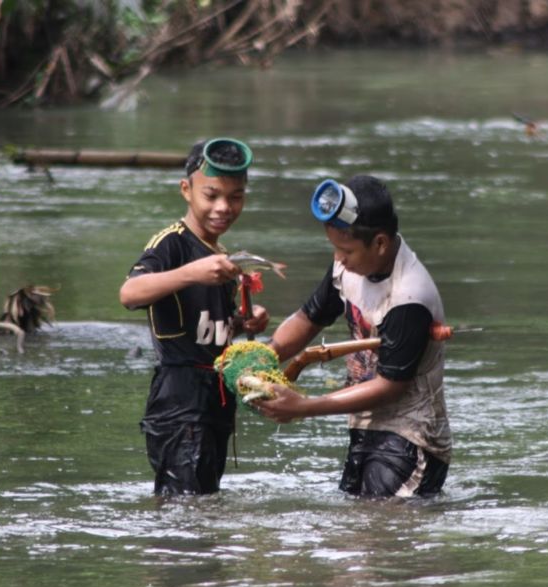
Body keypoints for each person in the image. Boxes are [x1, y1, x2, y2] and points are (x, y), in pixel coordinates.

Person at [254, 175, 451, 498]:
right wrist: (263, 357)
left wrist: (303, 406)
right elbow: (309, 316)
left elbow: (390, 386)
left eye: (347, 250)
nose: (339, 258)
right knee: (357, 531)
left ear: (381, 243)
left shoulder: (409, 296)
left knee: (380, 539)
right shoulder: (347, 265)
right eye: (334, 248)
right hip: (366, 427)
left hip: (412, 440)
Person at [119, 137, 269, 496]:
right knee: (185, 513)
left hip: (215, 400)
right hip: (180, 400)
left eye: (235, 197)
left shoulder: (220, 254)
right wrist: (191, 272)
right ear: (186, 190)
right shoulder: (171, 243)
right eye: (212, 195)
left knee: (201, 507)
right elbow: (129, 294)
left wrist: (244, 321)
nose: (224, 207)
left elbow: (208, 324)